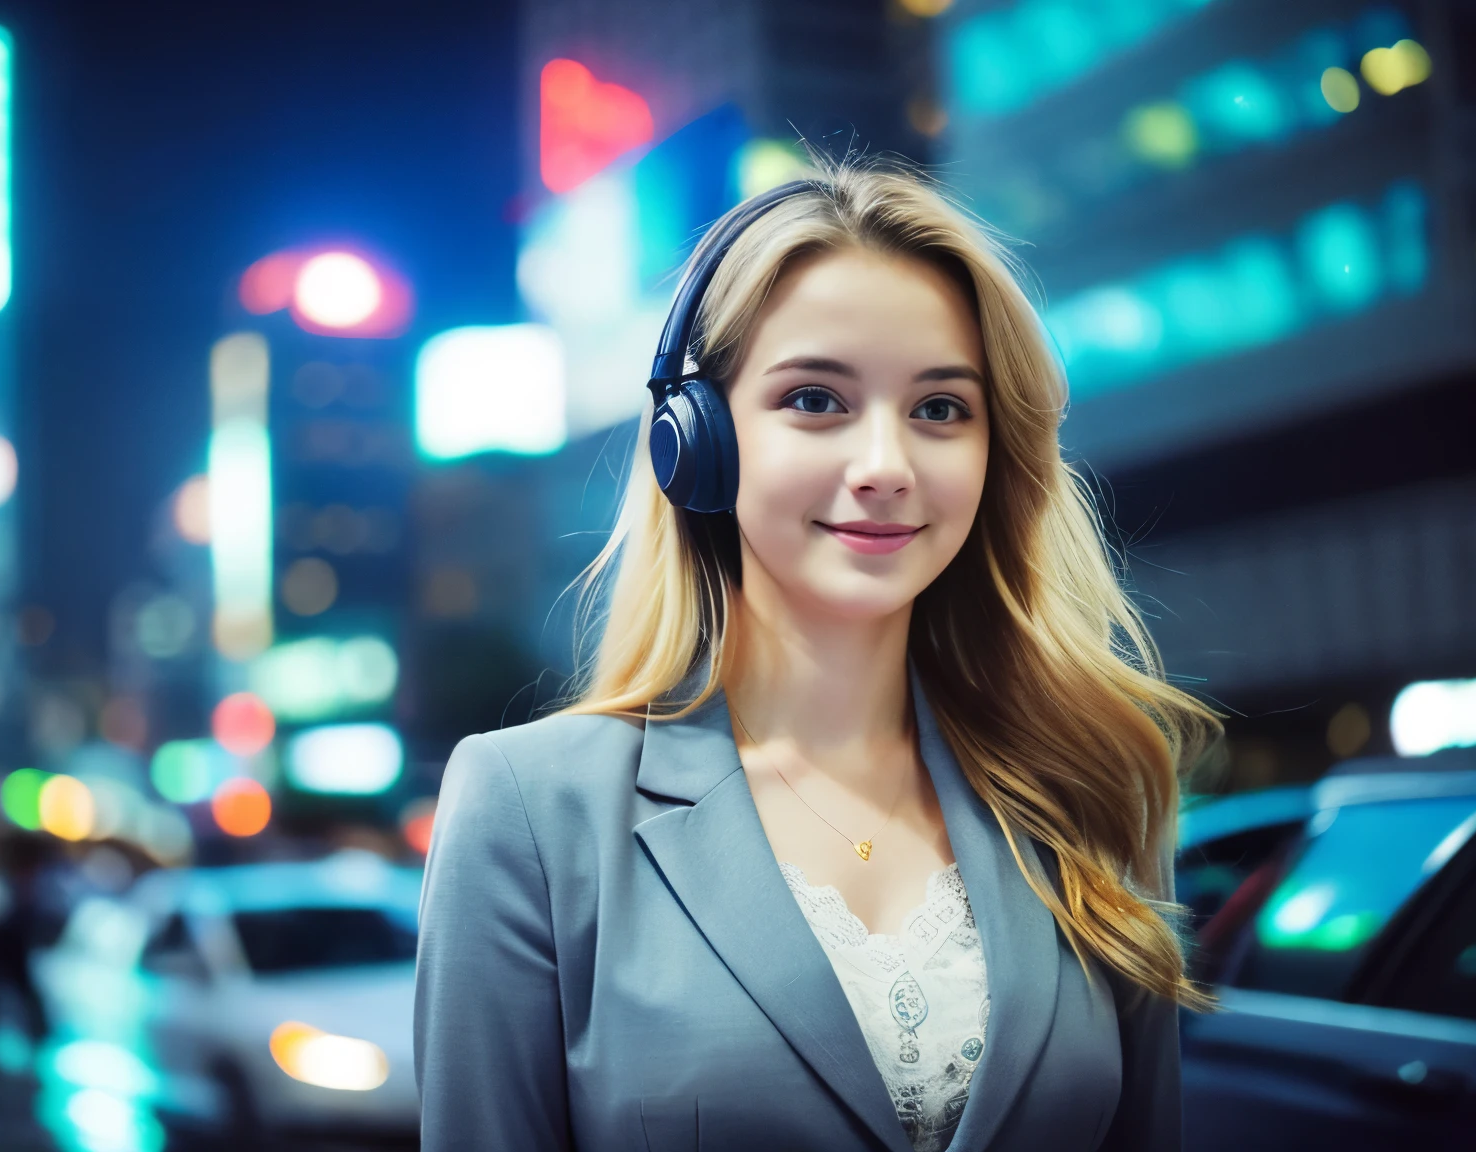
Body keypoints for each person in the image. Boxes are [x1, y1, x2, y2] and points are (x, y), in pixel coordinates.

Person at [413, 162, 1220, 1152]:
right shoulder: (530, 812)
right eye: (813, 399)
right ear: (695, 439)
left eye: (938, 410)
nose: (883, 467)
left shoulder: (1086, 786)